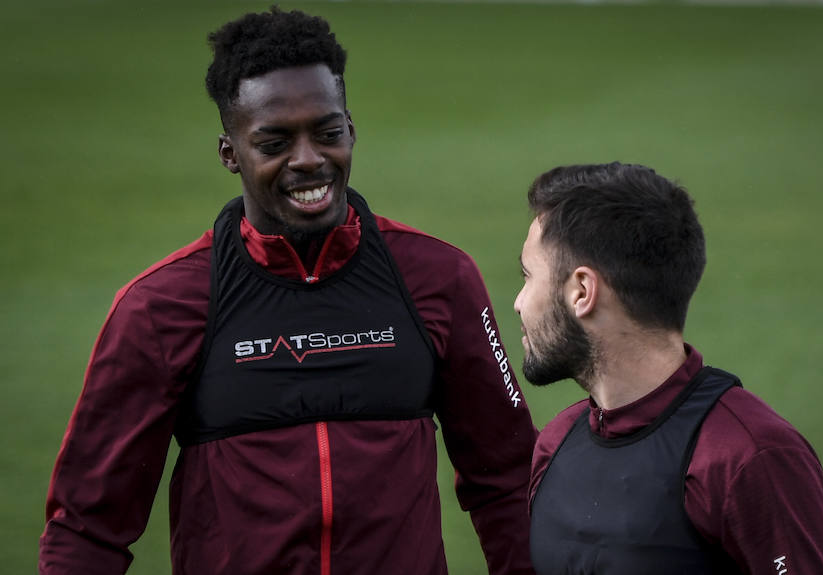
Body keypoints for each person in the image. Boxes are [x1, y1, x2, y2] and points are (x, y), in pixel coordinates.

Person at [38, 8, 536, 575]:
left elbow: (508, 480)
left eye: (327, 133)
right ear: (230, 154)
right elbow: (87, 528)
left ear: (351, 129)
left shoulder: (440, 279)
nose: (308, 159)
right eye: (275, 142)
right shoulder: (158, 307)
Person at [516, 163, 823, 574]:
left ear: (582, 291)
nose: (518, 302)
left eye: (528, 277)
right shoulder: (557, 443)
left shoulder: (747, 458)